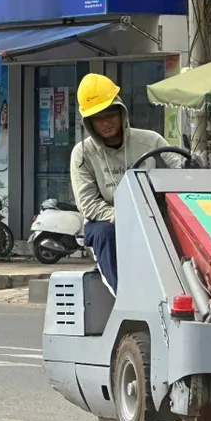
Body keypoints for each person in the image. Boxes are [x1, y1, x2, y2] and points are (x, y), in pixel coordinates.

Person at [70, 73, 182, 294]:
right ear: (89, 122)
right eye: (98, 117)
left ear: (122, 111)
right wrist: (126, 219)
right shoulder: (82, 154)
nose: (107, 121)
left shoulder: (151, 141)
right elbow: (89, 205)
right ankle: (124, 296)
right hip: (107, 221)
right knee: (104, 235)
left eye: (111, 113)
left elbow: (181, 172)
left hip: (154, 215)